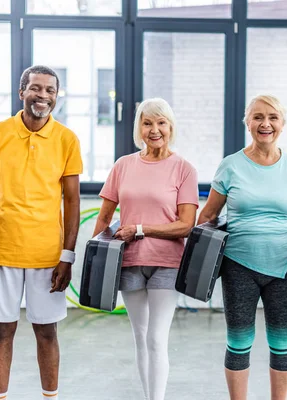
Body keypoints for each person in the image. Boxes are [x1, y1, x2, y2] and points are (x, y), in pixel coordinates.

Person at [0, 65, 83, 400]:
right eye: (36, 88)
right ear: (22, 92)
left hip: (47, 256)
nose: (42, 96)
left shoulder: (67, 139)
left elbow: (72, 200)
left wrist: (67, 255)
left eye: (50, 90)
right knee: (2, 332)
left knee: (47, 332)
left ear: (56, 97)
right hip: (1, 251)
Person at [197, 94, 287, 400]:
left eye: (273, 117)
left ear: (282, 124)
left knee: (282, 342)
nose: (265, 124)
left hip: (285, 264)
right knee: (238, 341)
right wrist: (195, 266)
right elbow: (208, 216)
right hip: (238, 264)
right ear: (247, 122)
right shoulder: (230, 166)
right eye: (258, 117)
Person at [93, 98, 199, 400]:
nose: (154, 130)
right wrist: (96, 260)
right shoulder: (123, 165)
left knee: (156, 337)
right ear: (139, 127)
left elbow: (186, 225)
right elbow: (103, 217)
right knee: (140, 337)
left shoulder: (183, 169)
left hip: (167, 263)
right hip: (128, 262)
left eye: (161, 123)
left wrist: (140, 230)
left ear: (170, 126)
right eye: (147, 123)